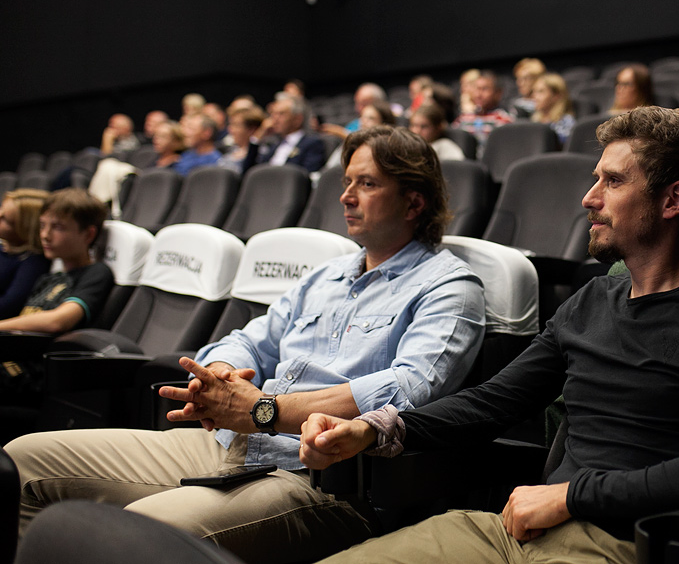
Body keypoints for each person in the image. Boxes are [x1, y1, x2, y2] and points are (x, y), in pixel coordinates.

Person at [301, 106, 679, 564]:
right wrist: (378, 428)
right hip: (511, 532)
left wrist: (571, 495)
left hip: (621, 543)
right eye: (594, 179)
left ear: (674, 199)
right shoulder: (590, 302)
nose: (590, 198)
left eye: (612, 182)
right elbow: (491, 403)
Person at [5, 126, 487, 564]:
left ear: (414, 202)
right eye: (346, 182)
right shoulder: (326, 275)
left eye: (367, 184)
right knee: (22, 462)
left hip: (319, 480)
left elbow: (411, 387)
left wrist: (264, 407)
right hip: (230, 444)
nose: (346, 197)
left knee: (130, 536)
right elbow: (248, 340)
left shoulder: (449, 286)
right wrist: (221, 379)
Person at [0, 188, 112, 335]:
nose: (45, 235)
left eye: (58, 227)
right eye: (42, 225)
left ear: (88, 234)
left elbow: (57, 321)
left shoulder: (96, 273)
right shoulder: (50, 278)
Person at [0, 190, 50, 319]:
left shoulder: (33, 262)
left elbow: (7, 306)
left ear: (26, 228)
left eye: (6, 220)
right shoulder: (3, 248)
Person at [254, 96, 326, 172]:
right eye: (273, 114)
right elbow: (253, 169)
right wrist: (258, 136)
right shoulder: (274, 144)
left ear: (297, 119)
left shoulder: (312, 143)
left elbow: (308, 174)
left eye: (281, 114)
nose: (275, 119)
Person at [452, 70, 512, 156]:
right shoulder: (463, 119)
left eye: (484, 89)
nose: (478, 94)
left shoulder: (504, 120)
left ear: (498, 93)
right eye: (476, 88)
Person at [322, 83, 388, 139]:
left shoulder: (388, 122)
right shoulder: (355, 123)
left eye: (363, 104)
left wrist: (339, 132)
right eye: (357, 103)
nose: (358, 108)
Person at [218, 106, 266, 174]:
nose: (231, 130)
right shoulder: (230, 150)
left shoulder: (260, 153)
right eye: (231, 124)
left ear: (251, 129)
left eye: (236, 125)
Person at [531, 72, 576, 144]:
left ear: (556, 96)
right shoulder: (534, 121)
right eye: (534, 92)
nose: (534, 97)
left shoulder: (566, 122)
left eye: (541, 92)